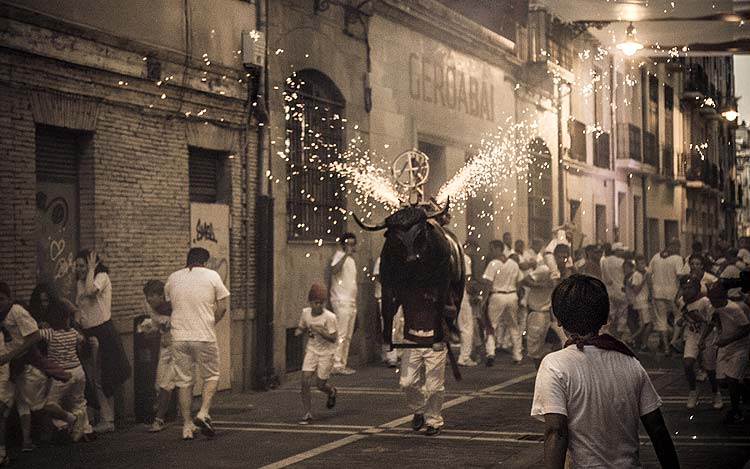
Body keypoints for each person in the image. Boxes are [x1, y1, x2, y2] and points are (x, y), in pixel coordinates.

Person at [531, 274, 679, 469]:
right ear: (603, 317)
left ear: (558, 319)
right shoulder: (629, 362)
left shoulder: (554, 365)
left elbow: (555, 432)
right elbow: (657, 428)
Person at [165, 247, 230, 440]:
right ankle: (203, 412)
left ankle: (186, 426)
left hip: (179, 336)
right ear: (206, 261)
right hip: (203, 335)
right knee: (211, 376)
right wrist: (212, 322)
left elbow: (170, 304)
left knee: (184, 381)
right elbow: (223, 307)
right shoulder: (212, 276)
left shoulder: (173, 278)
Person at [75, 249, 130, 434]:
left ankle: (110, 419)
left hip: (103, 332)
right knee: (93, 378)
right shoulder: (80, 282)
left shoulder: (102, 277)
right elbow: (82, 309)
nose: (79, 269)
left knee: (105, 377)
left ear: (93, 265)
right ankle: (103, 417)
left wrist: (92, 269)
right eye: (78, 266)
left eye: (83, 265)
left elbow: (91, 292)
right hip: (88, 332)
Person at [39, 295, 91, 443]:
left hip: (61, 374)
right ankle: (85, 429)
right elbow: (82, 340)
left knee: (53, 403)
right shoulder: (73, 333)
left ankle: (64, 427)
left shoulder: (50, 334)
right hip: (78, 371)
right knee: (79, 401)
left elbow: (34, 336)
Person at [0, 282, 44, 457]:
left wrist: (13, 355)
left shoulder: (17, 311)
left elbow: (35, 335)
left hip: (21, 361)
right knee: (20, 400)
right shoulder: (2, 315)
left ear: (9, 298)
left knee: (31, 399)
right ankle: (25, 441)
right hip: (9, 364)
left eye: (2, 299)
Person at [704, 283, 750, 424]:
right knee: (722, 382)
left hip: (739, 347)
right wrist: (703, 339)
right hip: (725, 346)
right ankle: (745, 387)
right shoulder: (715, 308)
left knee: (731, 380)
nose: (712, 302)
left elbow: (746, 328)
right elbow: (711, 323)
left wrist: (728, 339)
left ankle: (736, 411)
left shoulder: (734, 309)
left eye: (714, 299)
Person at [296, 284, 338, 424]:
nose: (318, 306)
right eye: (315, 303)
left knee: (320, 384)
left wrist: (320, 331)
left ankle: (331, 391)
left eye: (321, 303)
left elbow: (333, 338)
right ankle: (308, 412)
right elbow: (302, 326)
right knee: (305, 380)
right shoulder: (306, 313)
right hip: (312, 350)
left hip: (326, 352)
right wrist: (299, 331)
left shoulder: (330, 317)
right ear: (310, 302)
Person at [678, 276, 721, 410]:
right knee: (688, 364)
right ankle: (693, 391)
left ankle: (716, 393)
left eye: (690, 288)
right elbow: (682, 318)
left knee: (710, 369)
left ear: (697, 288)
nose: (687, 291)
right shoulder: (681, 301)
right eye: (684, 288)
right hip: (692, 335)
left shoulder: (704, 301)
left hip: (707, 336)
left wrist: (703, 339)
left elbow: (712, 321)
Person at [482, 240, 524, 366]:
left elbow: (488, 283)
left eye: (492, 249)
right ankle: (518, 355)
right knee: (513, 326)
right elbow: (520, 281)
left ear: (497, 248)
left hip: (497, 296)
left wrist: (484, 299)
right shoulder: (514, 264)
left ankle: (490, 353)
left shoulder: (493, 264)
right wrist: (518, 295)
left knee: (491, 325)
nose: (490, 252)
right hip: (512, 295)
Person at [141, 280, 175, 433]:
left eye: (153, 295)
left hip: (178, 347)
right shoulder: (150, 308)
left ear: (162, 296)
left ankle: (159, 419)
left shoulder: (176, 306)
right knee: (159, 384)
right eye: (147, 296)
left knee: (166, 383)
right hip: (165, 347)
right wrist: (149, 331)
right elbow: (156, 326)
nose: (149, 299)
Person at [330, 233, 358, 375]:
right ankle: (336, 364)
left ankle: (342, 363)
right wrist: (345, 255)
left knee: (347, 335)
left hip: (351, 301)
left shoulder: (351, 261)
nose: (351, 247)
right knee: (341, 333)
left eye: (353, 244)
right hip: (341, 300)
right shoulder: (339, 256)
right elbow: (334, 270)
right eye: (349, 244)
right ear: (343, 245)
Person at [649, 239, 683, 355]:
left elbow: (649, 274)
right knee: (678, 317)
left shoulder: (656, 257)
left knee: (661, 320)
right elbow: (679, 276)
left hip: (657, 293)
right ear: (676, 247)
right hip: (673, 293)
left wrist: (651, 290)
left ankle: (666, 347)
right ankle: (673, 342)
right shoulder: (677, 259)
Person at [601, 242, 627, 339]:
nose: (623, 252)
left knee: (611, 313)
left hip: (608, 290)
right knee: (622, 314)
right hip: (621, 290)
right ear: (617, 251)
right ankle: (619, 336)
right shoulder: (621, 261)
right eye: (621, 250)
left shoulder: (604, 261)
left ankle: (609, 333)